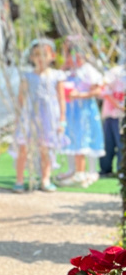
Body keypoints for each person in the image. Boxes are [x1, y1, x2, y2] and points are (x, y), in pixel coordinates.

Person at [12, 38, 66, 193]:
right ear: (31, 57)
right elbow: (21, 98)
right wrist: (18, 118)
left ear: (52, 56)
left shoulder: (57, 76)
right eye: (36, 54)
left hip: (48, 116)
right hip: (30, 116)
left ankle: (45, 179)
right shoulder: (27, 77)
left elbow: (61, 99)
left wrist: (62, 119)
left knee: (46, 148)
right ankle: (20, 179)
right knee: (23, 147)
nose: (40, 58)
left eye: (44, 54)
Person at [57, 36, 104, 187]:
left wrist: (80, 95)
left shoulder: (87, 70)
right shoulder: (68, 71)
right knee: (71, 137)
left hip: (84, 110)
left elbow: (98, 90)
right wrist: (64, 66)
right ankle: (72, 169)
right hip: (71, 111)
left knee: (85, 137)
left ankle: (90, 171)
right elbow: (56, 82)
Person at [98, 60, 124, 177]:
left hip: (122, 117)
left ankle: (121, 170)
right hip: (111, 115)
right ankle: (105, 169)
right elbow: (105, 89)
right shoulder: (116, 72)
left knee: (122, 144)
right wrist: (117, 105)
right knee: (108, 144)